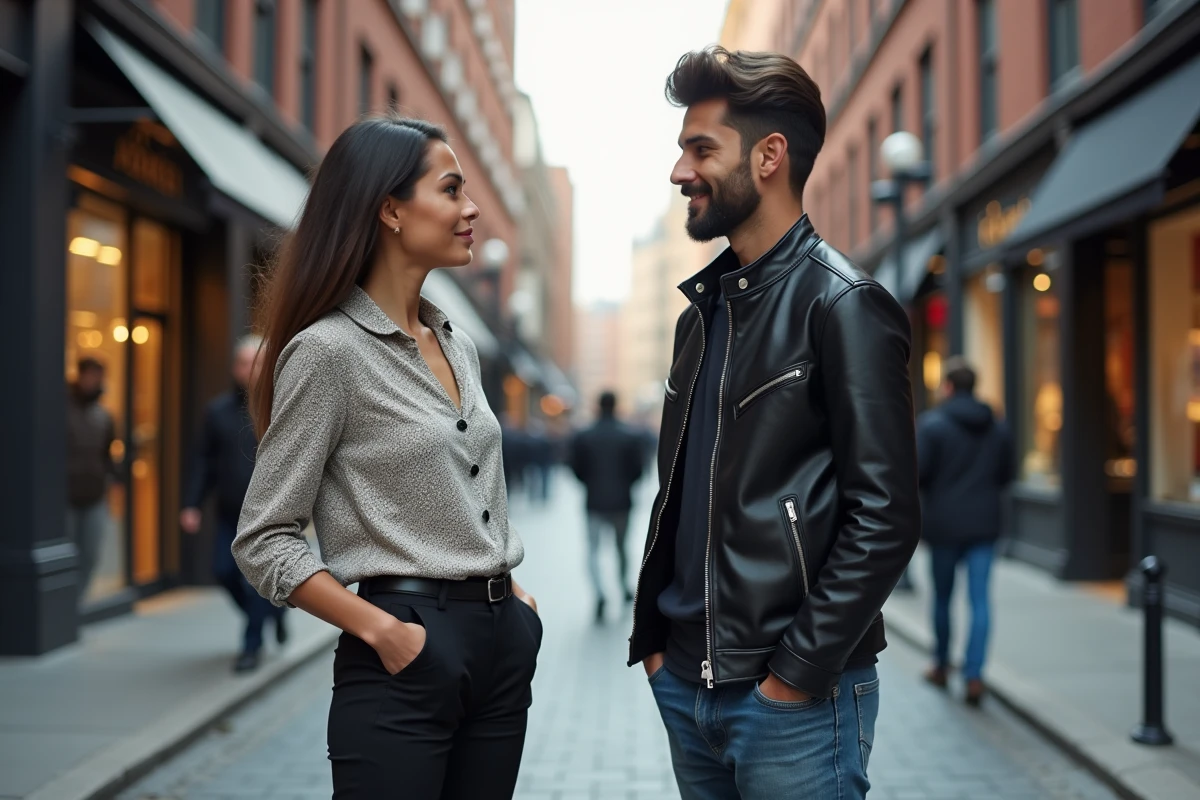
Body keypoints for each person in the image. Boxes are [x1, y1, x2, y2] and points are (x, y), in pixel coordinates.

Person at [627, 47, 920, 800]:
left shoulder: (843, 304)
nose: (679, 171)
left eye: (701, 149)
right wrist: (658, 648)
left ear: (768, 157)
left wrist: (794, 674)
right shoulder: (701, 316)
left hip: (792, 700)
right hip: (687, 685)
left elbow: (885, 515)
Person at [233, 115, 540, 799]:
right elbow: (264, 539)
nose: (471, 209)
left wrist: (515, 604)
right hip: (404, 650)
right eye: (451, 189)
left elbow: (477, 486)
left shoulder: (456, 340)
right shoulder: (327, 352)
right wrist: (382, 630)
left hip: (499, 642)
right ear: (392, 209)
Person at [181, 336, 286, 673]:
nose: (249, 370)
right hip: (229, 513)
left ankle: (250, 646)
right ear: (234, 368)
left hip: (270, 516)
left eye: (256, 363)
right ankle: (273, 612)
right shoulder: (217, 412)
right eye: (243, 363)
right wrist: (192, 505)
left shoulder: (281, 406)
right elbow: (203, 462)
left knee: (255, 583)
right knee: (223, 572)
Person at [917, 357, 1013, 706]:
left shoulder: (932, 425)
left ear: (948, 386)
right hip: (985, 524)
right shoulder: (997, 425)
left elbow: (919, 474)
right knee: (980, 601)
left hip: (944, 525)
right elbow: (1006, 475)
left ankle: (941, 666)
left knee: (942, 599)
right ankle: (974, 677)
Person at [569, 391, 645, 622]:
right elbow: (638, 471)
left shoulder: (584, 436)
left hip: (594, 502)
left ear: (597, 406)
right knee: (621, 549)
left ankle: (600, 593)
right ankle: (622, 587)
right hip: (622, 502)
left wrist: (590, 484)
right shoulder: (629, 436)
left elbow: (575, 468)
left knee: (593, 550)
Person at [66, 357, 117, 604]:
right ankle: (67, 607)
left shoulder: (104, 416)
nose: (94, 381)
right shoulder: (63, 411)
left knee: (90, 554)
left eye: (98, 376)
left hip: (95, 495)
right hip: (66, 498)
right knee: (68, 554)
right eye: (90, 376)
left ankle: (77, 604)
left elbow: (108, 455)